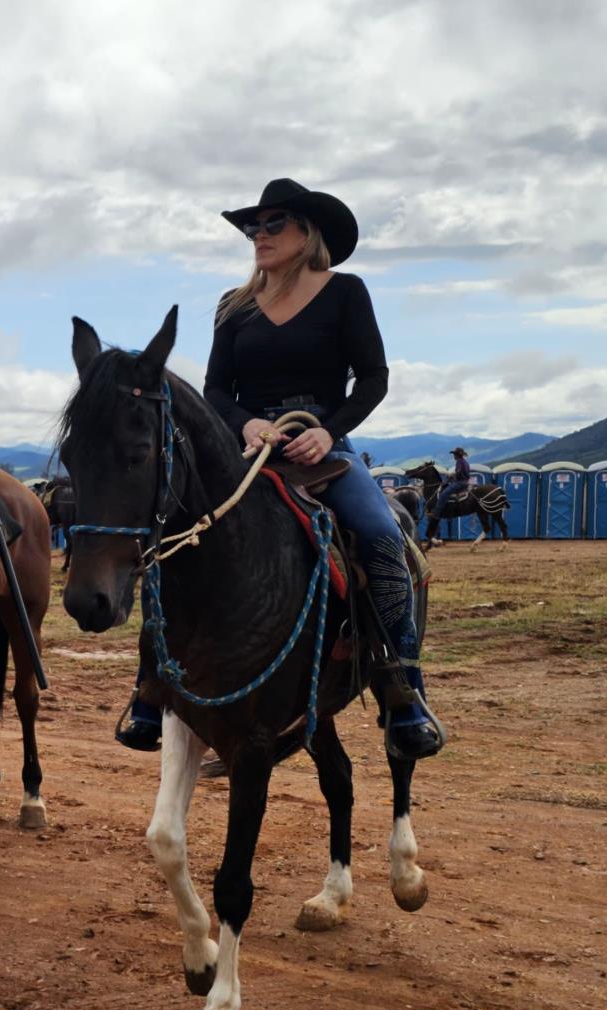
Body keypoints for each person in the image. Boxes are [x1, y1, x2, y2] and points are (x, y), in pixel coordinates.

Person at [113, 178, 442, 761]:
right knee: (171, 538)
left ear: (307, 233)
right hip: (245, 451)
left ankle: (401, 687)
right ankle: (151, 683)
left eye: (272, 225)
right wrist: (245, 425)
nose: (258, 236)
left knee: (380, 535)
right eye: (252, 228)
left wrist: (327, 431)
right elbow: (217, 388)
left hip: (323, 451)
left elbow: (373, 378)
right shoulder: (233, 305)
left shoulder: (345, 292)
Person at [433, 446, 472, 518]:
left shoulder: (459, 461)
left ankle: (436, 514)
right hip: (465, 482)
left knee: (444, 494)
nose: (453, 456)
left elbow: (458, 472)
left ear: (457, 455)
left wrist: (451, 475)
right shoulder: (465, 462)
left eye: (454, 454)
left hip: (460, 482)